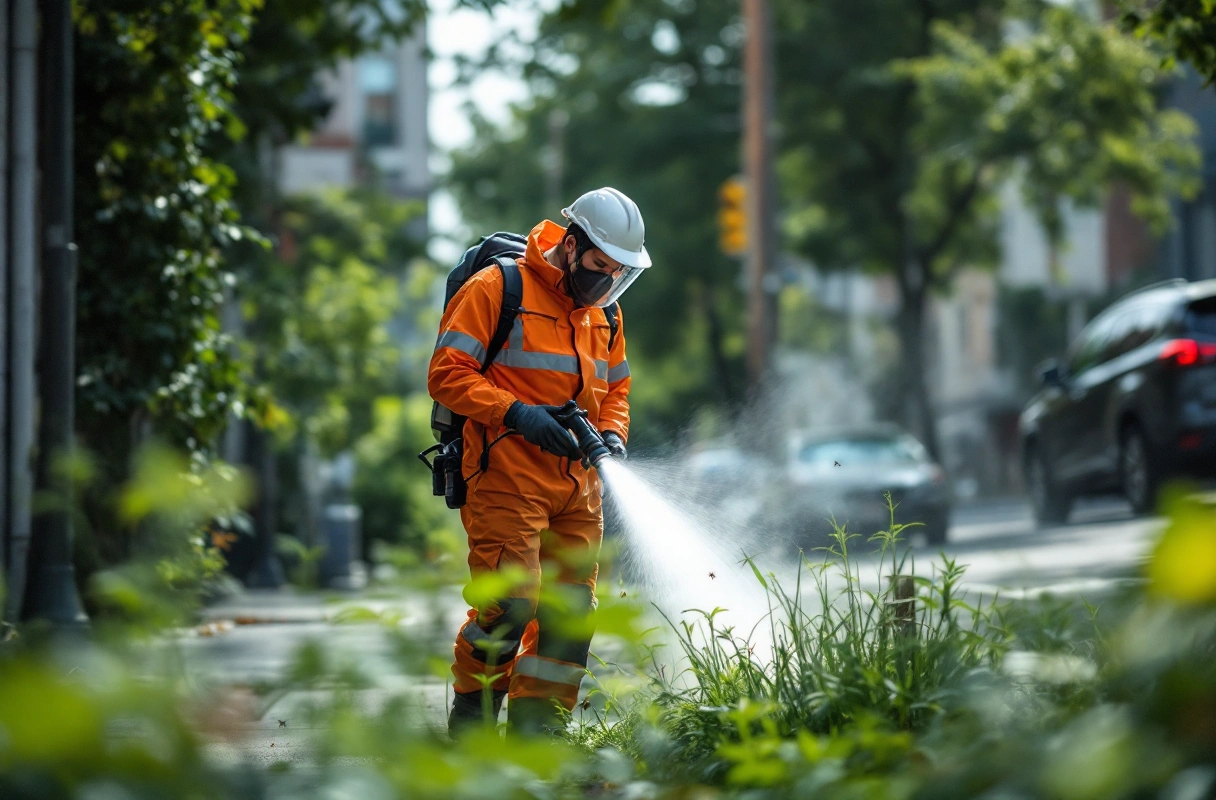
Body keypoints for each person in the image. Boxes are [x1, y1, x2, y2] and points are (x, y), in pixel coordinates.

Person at [428, 187, 650, 734]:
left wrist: (613, 434)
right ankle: (472, 722)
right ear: (571, 245)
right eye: (600, 266)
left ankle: (539, 734)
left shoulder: (606, 312)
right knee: (508, 607)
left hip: (579, 489)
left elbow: (616, 391)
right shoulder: (497, 287)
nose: (607, 281)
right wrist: (518, 414)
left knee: (569, 616)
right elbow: (447, 374)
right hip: (506, 478)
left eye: (618, 272)